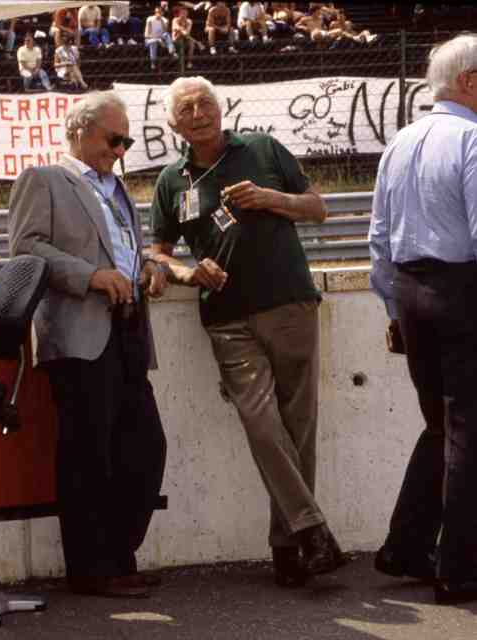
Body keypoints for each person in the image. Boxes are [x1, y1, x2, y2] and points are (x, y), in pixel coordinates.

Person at [148, 76, 346, 588]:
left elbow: (318, 208)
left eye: (205, 103)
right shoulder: (170, 181)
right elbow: (157, 253)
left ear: (221, 108)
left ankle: (289, 549)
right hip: (226, 317)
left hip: (290, 303)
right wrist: (189, 272)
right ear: (173, 124)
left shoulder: (262, 148)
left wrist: (269, 197)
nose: (198, 113)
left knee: (298, 427)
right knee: (261, 423)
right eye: (186, 109)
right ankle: (312, 528)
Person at [8, 91, 167, 598]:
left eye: (126, 142)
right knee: (88, 454)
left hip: (129, 328)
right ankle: (92, 568)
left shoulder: (117, 188)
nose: (120, 150)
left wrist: (145, 267)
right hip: (78, 333)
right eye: (113, 139)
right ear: (79, 131)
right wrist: (90, 276)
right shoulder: (44, 179)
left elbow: (122, 249)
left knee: (143, 449)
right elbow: (26, 248)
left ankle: (118, 558)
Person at [368, 33, 477, 605]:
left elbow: (378, 239)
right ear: (470, 81)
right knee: (468, 432)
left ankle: (406, 546)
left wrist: (394, 309)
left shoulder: (401, 141)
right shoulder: (473, 139)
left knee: (442, 426)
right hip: (460, 291)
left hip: (411, 294)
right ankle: (459, 569)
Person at [145, 6, 176, 71]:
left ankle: (171, 51)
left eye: (159, 12)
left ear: (162, 13)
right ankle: (153, 62)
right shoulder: (149, 19)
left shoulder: (165, 20)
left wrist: (161, 21)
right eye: (156, 12)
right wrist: (157, 39)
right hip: (149, 40)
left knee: (166, 34)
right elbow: (146, 35)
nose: (157, 14)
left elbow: (165, 32)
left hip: (161, 39)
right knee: (153, 43)